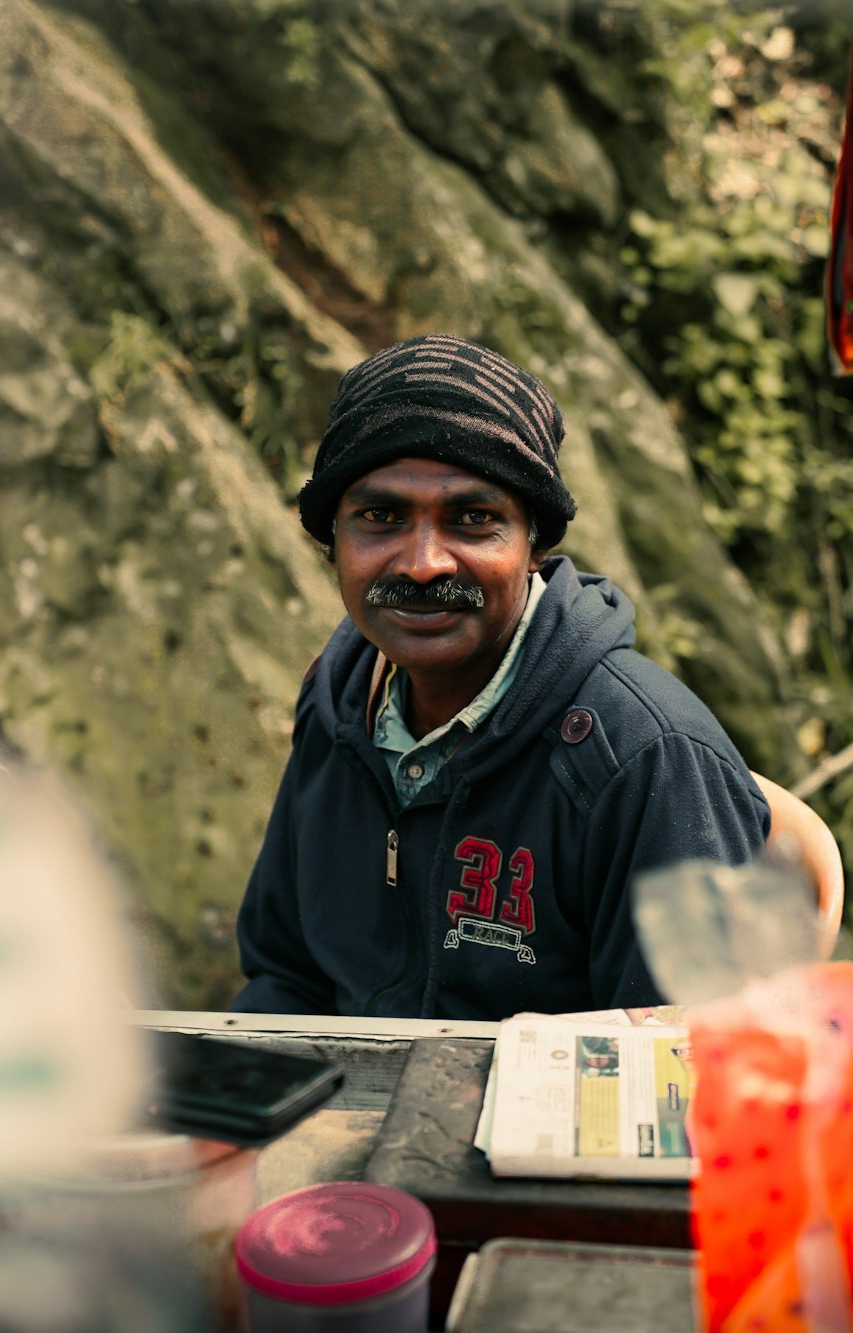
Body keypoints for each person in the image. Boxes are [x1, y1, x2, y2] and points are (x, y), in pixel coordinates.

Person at [233, 333, 770, 1019]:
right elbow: (285, 975)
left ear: (534, 545)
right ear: (331, 537)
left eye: (473, 518)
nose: (422, 563)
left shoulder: (646, 759)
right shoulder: (338, 702)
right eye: (380, 516)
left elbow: (679, 1079)